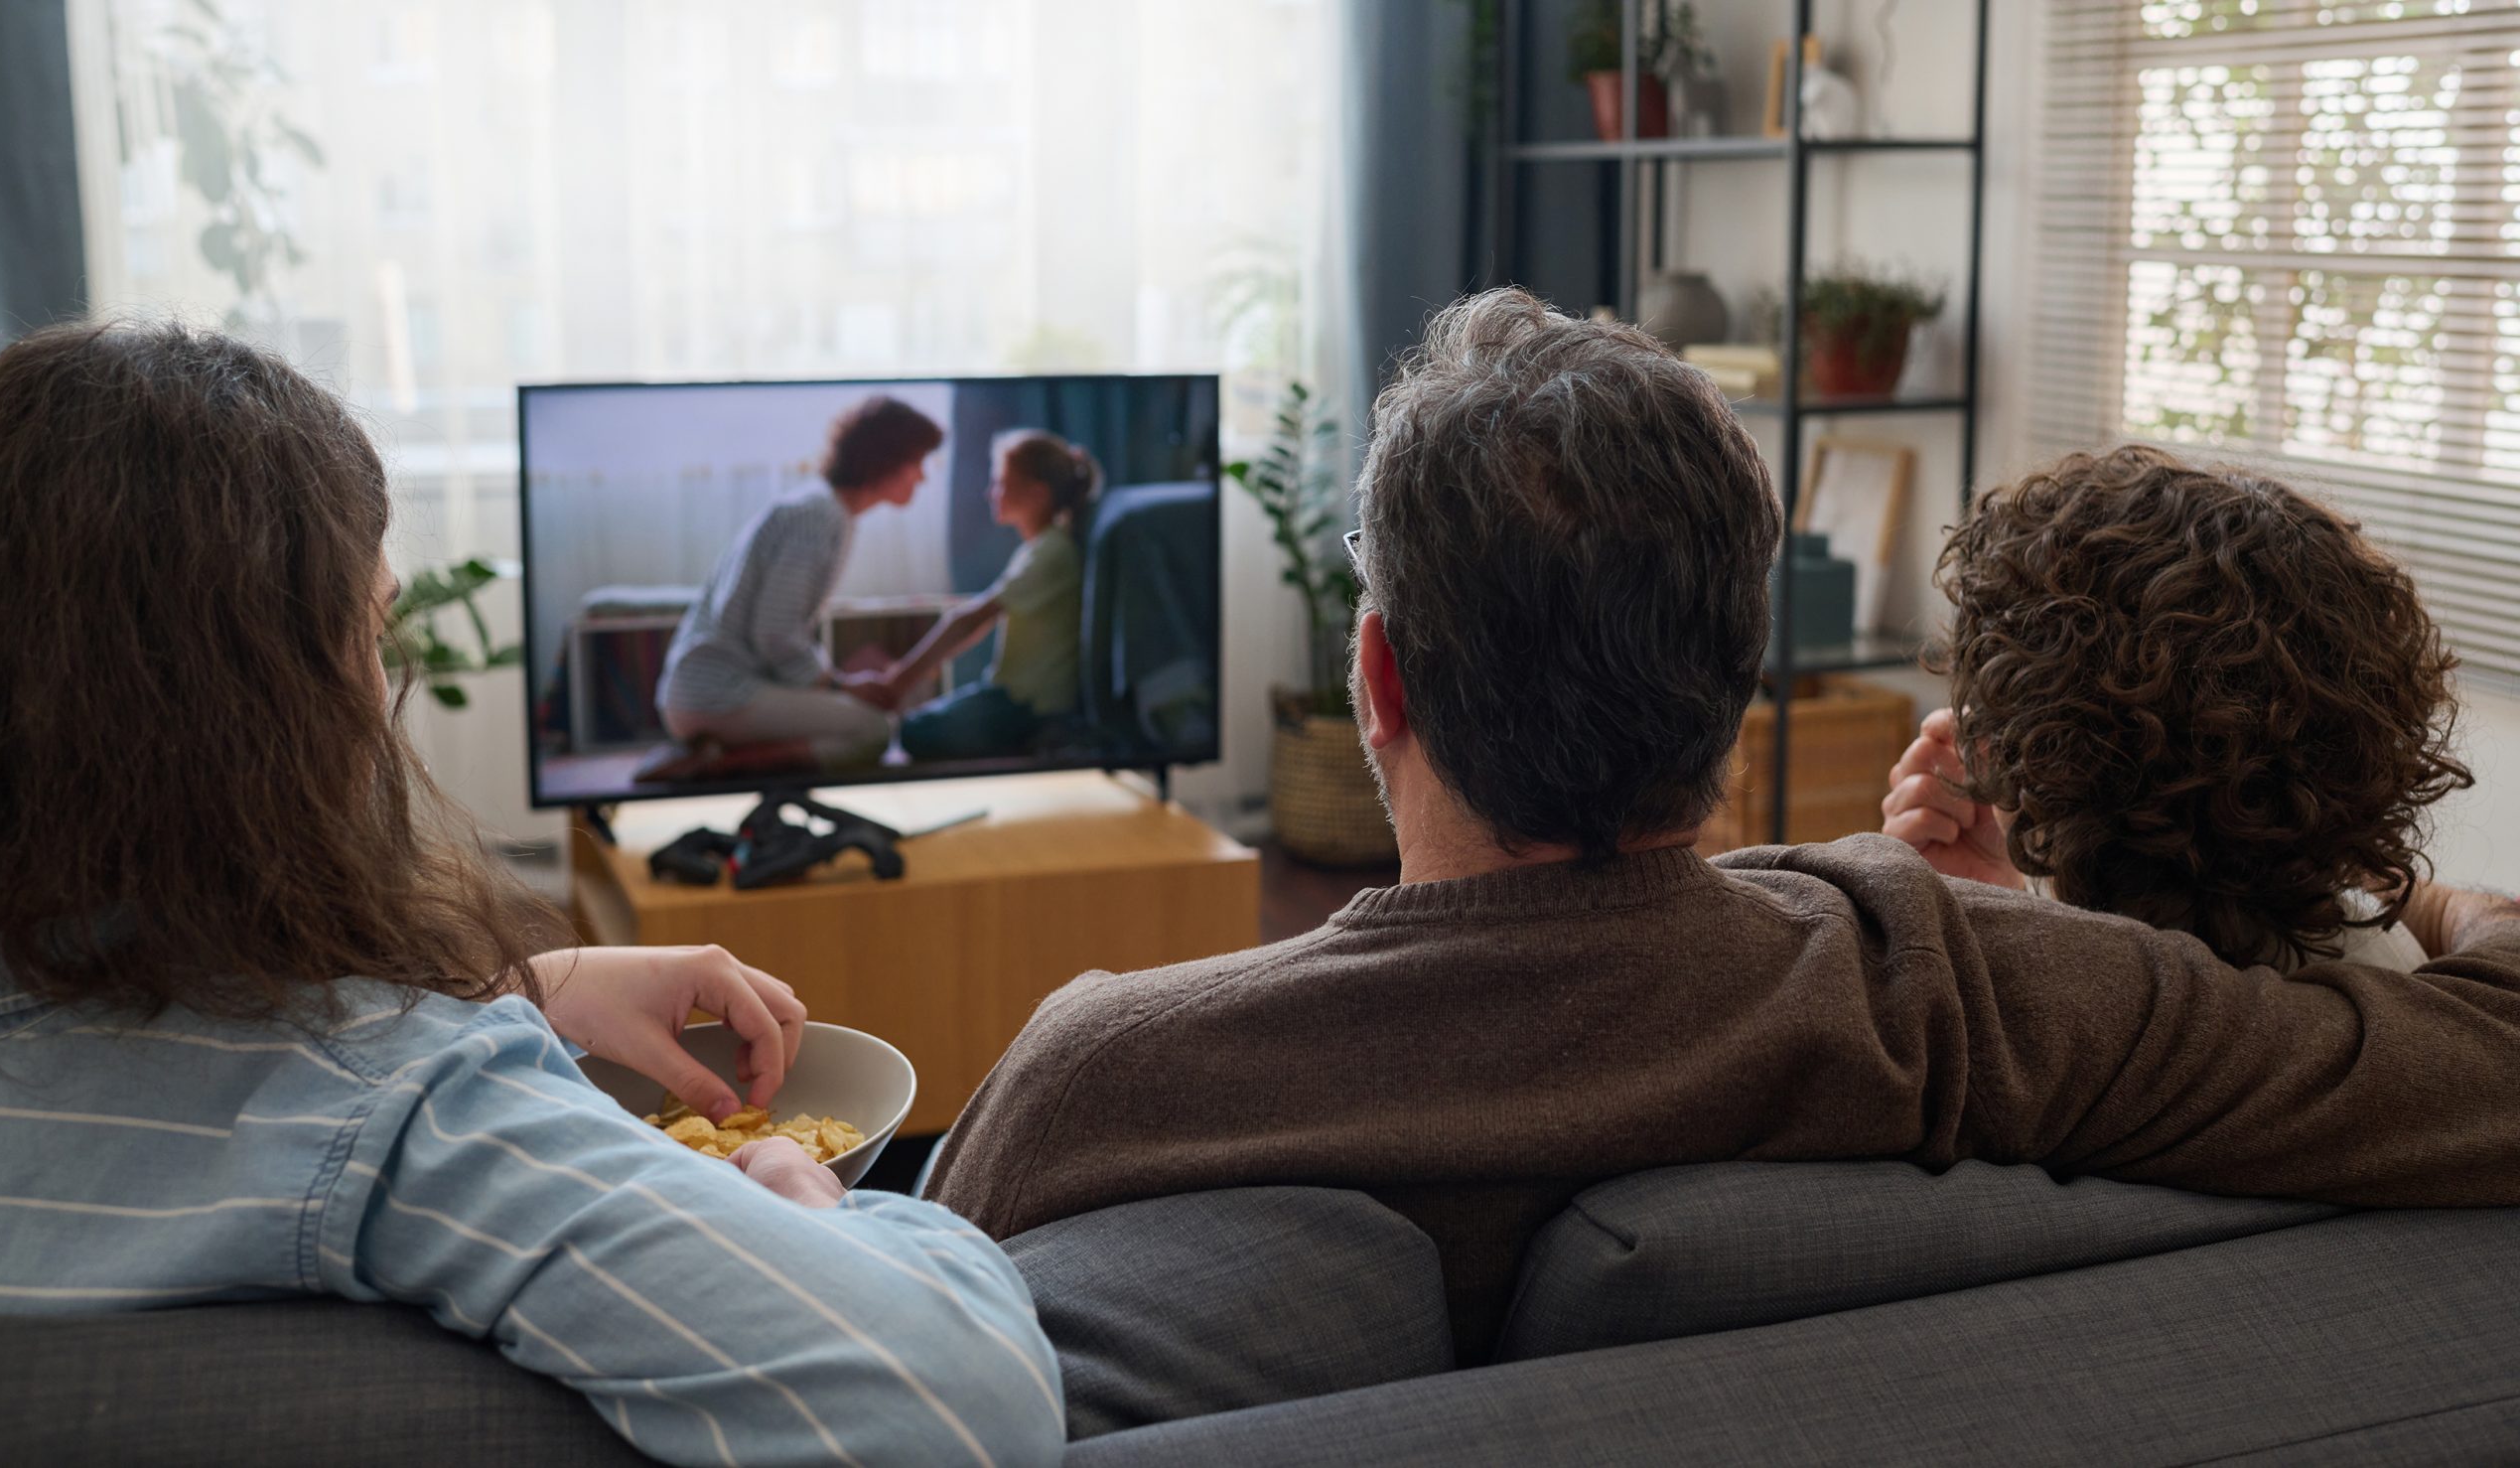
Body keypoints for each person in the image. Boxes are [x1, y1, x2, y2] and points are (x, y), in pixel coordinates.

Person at [923, 288, 2520, 1360]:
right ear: (1736, 676)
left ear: (1381, 673)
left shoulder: (1102, 1074)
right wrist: (2420, 901)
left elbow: (881, 1354)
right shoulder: (1961, 990)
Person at [0, 323, 1062, 1468]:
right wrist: (800, 1192)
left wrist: (520, 982)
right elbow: (963, 1405)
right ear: (278, 710)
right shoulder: (403, 1111)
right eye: (375, 627)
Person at [1881, 446, 2469, 971]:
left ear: (2026, 759)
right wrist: (2000, 899)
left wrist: (1937, 929)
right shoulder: (2381, 965)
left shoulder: (2055, 1019)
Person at [649, 393, 945, 780]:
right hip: (718, 694)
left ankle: (718, 752)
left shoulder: (824, 509)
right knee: (872, 730)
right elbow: (775, 632)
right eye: (917, 462)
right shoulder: (818, 517)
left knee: (864, 720)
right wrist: (839, 685)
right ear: (885, 459)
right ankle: (716, 764)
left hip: (711, 691)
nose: (922, 477)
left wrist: (835, 685)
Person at [847, 430, 1096, 763]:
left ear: (1037, 494)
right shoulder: (1040, 548)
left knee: (913, 733)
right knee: (918, 726)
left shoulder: (1051, 553)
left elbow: (971, 620)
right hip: (1008, 694)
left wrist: (900, 681)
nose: (990, 493)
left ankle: (1036, 738)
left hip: (1030, 706)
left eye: (1001, 484)